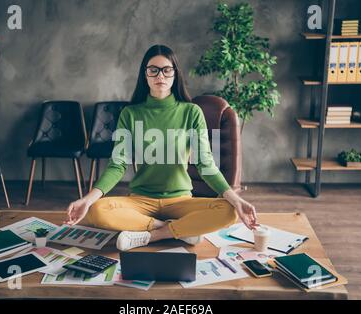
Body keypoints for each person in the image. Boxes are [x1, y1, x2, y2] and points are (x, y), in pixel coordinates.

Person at [65, 44, 258, 251]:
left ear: (175, 74)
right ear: (145, 75)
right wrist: (87, 198)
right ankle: (178, 231)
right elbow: (117, 165)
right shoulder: (130, 114)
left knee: (229, 211)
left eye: (167, 69)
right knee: (96, 209)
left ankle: (154, 236)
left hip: (180, 200)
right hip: (141, 200)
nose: (160, 76)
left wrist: (236, 199)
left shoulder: (191, 112)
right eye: (153, 70)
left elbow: (205, 164)